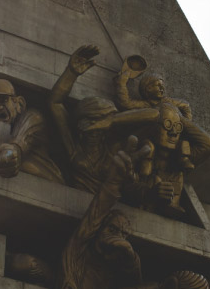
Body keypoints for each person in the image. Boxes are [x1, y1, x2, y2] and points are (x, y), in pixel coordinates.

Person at [49, 45, 159, 193]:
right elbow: (55, 103)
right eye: (88, 121)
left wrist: (112, 121)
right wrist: (71, 73)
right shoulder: (73, 147)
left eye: (98, 122)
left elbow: (154, 115)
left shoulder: (112, 148)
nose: (93, 129)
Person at [59, 136, 151, 289]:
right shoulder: (78, 254)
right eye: (112, 230)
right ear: (99, 228)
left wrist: (130, 256)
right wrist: (114, 180)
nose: (116, 237)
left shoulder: (114, 269)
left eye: (123, 235)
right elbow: (96, 214)